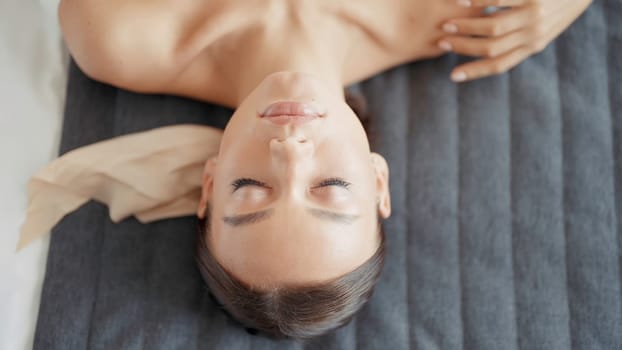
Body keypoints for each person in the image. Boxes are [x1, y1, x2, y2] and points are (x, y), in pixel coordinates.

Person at [57, 0, 592, 338]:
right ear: (378, 180)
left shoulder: (116, 32)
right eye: (330, 187)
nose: (290, 151)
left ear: (211, 183)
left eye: (249, 188)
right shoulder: (471, 12)